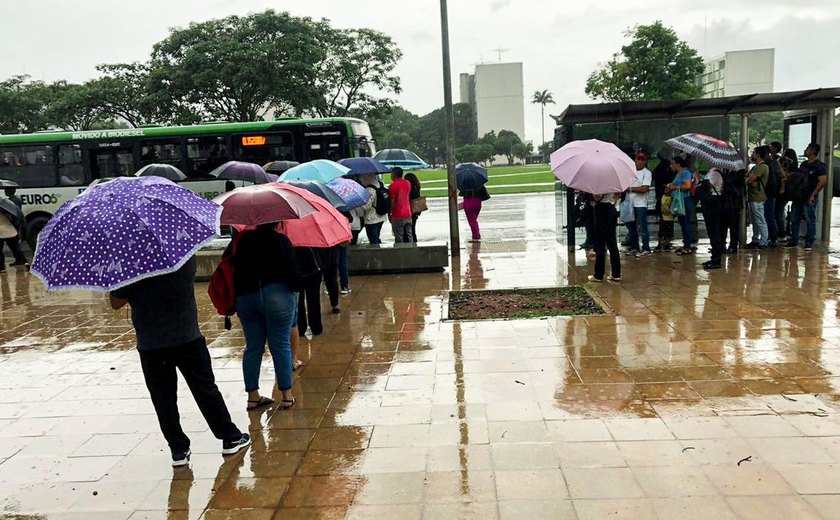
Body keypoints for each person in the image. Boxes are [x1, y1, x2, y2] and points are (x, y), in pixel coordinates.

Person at [109, 257, 251, 466]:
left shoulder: (131, 263)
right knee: (205, 389)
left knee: (162, 398)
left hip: (151, 343)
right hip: (186, 336)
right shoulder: (183, 257)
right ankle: (229, 436)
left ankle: (178, 449)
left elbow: (115, 303)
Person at [225, 223, 301, 411]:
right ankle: (286, 396)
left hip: (246, 296)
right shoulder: (281, 241)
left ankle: (253, 396)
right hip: (278, 296)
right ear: (277, 222)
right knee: (281, 345)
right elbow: (294, 275)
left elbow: (229, 264)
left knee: (253, 347)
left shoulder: (242, 241)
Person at [786, 142, 828, 251]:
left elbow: (823, 181)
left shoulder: (820, 166)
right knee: (795, 218)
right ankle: (794, 239)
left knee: (810, 219)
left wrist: (813, 194)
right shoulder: (804, 164)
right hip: (799, 195)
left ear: (813, 151)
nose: (805, 151)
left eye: (807, 149)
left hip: (809, 196)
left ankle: (809, 241)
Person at [587, 192, 621, 283]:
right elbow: (618, 195)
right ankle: (616, 274)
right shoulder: (613, 181)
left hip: (602, 210)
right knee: (612, 243)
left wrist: (593, 195)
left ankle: (598, 275)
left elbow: (597, 196)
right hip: (611, 209)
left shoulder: (600, 183)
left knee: (600, 243)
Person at [667, 156, 696, 256]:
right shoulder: (678, 174)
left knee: (686, 222)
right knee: (682, 222)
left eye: (672, 164)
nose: (671, 166)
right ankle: (686, 244)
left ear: (678, 164)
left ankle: (688, 245)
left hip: (684, 200)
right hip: (679, 200)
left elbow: (687, 186)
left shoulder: (685, 173)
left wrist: (674, 187)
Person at [744, 146, 770, 249]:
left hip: (757, 197)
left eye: (754, 153)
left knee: (760, 220)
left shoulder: (761, 167)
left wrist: (749, 180)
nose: (752, 155)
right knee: (755, 221)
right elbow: (749, 178)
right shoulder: (756, 167)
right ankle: (756, 239)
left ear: (758, 154)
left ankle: (764, 241)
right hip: (753, 197)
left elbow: (750, 180)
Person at [627, 153, 652, 256]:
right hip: (630, 203)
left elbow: (644, 189)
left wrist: (630, 189)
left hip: (641, 204)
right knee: (631, 227)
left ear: (645, 162)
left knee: (643, 227)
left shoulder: (647, 173)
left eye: (642, 160)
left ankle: (646, 247)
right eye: (638, 159)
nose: (640, 162)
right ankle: (634, 247)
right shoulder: (630, 172)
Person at [701, 167, 725, 269]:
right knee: (712, 231)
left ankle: (716, 259)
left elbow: (707, 186)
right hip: (711, 203)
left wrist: (698, 180)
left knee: (714, 231)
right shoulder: (712, 172)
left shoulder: (715, 173)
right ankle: (714, 257)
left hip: (713, 203)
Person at [357, 173, 387, 244]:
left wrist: (359, 208)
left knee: (373, 240)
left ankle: (376, 254)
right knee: (377, 236)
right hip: (381, 216)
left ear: (366, 178)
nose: (361, 180)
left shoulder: (369, 190)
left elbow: (366, 206)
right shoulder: (381, 184)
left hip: (371, 219)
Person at [388, 167, 413, 243]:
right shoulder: (407, 183)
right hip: (408, 212)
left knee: (399, 236)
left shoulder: (392, 186)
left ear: (394, 174)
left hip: (397, 214)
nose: (390, 175)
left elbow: (392, 201)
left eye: (391, 173)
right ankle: (411, 249)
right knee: (409, 234)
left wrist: (389, 212)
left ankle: (400, 252)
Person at [768, 141, 784, 244]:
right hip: (774, 190)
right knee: (774, 213)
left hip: (774, 191)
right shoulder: (773, 160)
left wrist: (782, 187)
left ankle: (777, 234)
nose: (770, 148)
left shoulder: (776, 161)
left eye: (771, 146)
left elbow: (782, 175)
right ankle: (775, 234)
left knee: (774, 213)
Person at [405, 172, 422, 243]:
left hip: (410, 210)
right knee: (412, 229)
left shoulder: (410, 187)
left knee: (409, 230)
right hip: (415, 210)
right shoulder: (417, 186)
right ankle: (414, 242)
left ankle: (411, 243)